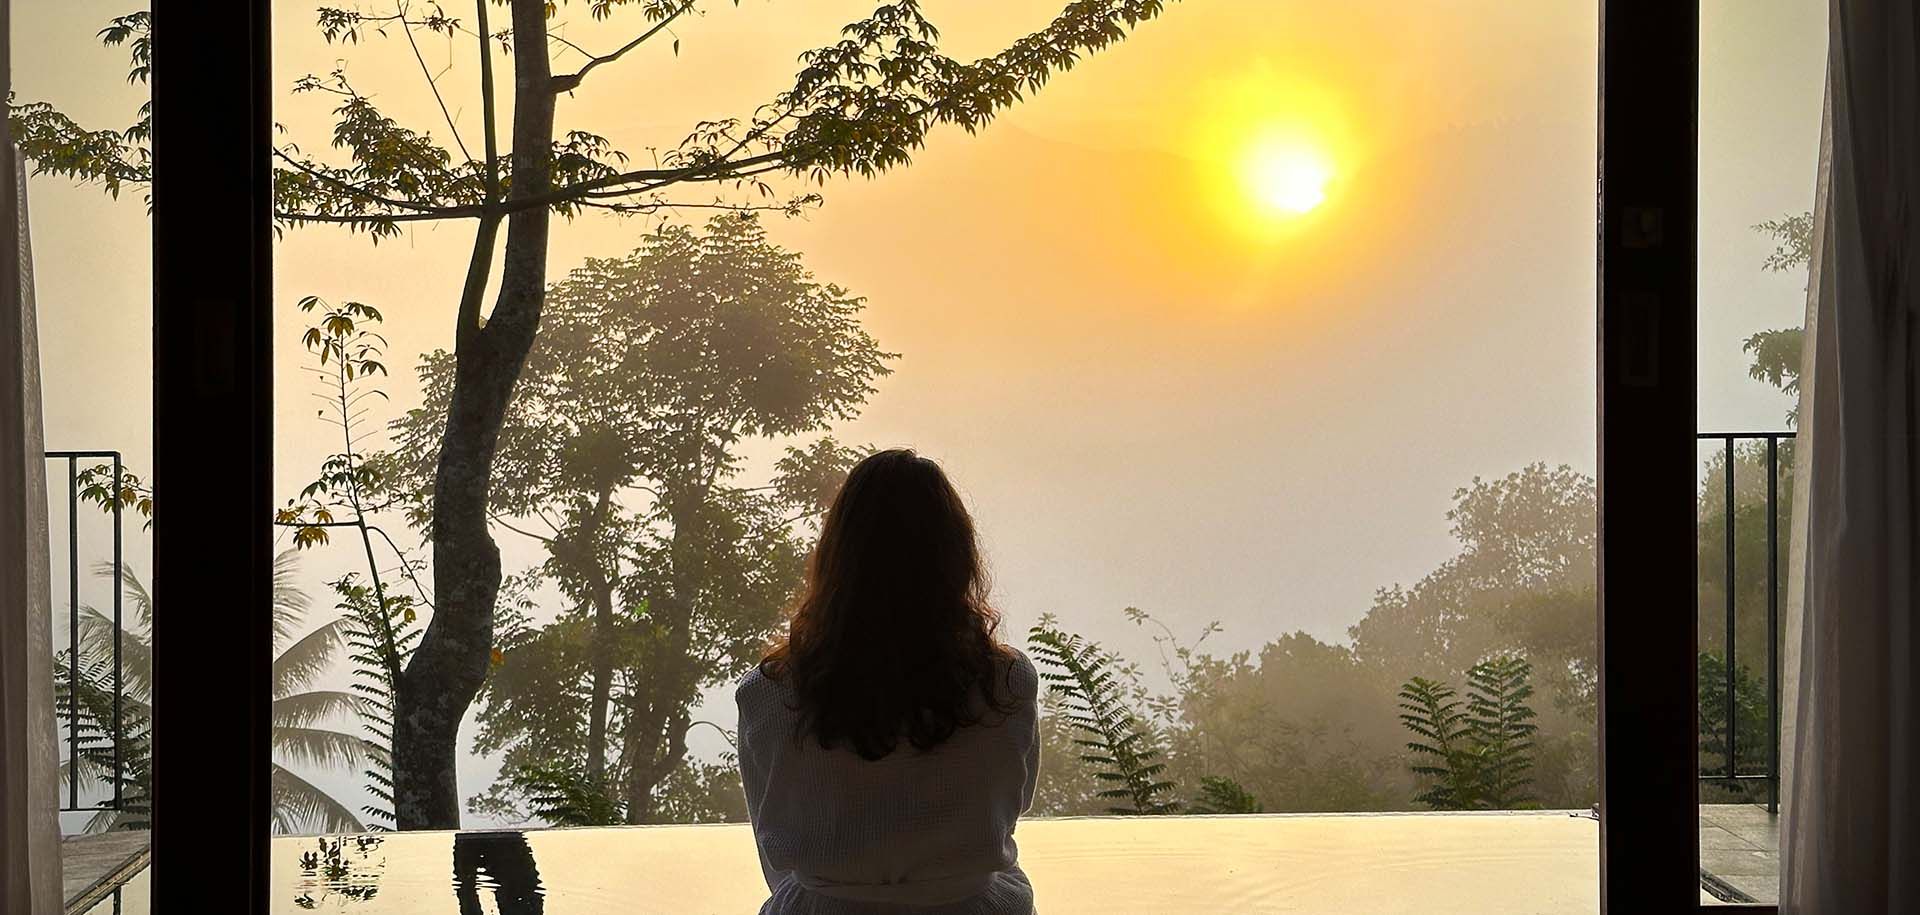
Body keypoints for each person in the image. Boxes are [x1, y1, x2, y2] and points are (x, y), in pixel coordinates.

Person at [737, 449, 1041, 915]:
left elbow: (773, 841)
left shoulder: (768, 693)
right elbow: (1014, 805)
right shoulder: (1007, 683)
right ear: (957, 558)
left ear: (836, 557)